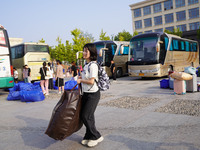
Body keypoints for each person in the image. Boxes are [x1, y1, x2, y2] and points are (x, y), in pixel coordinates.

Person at [77, 43, 103, 147]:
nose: (83, 53)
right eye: (83, 50)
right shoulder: (86, 65)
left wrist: (80, 80)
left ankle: (96, 136)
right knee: (89, 116)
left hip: (93, 94)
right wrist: (81, 78)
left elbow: (91, 81)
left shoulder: (93, 65)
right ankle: (88, 136)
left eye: (86, 51)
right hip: (86, 94)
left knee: (85, 116)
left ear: (91, 53)